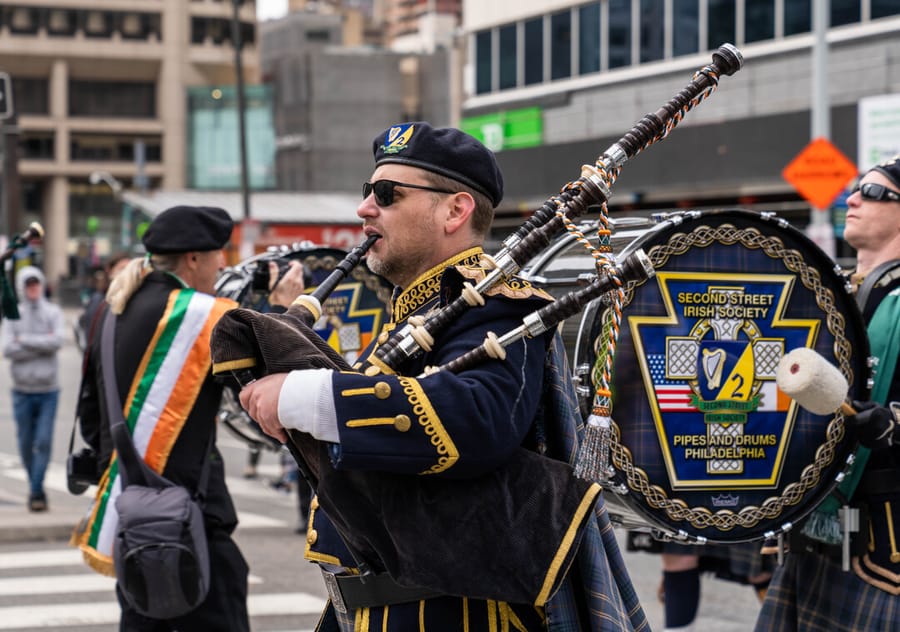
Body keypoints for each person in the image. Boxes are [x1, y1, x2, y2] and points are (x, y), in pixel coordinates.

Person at [238, 122, 646, 631]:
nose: (366, 208)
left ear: (455, 210)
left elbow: (476, 420)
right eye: (368, 192)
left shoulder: (496, 306)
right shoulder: (417, 309)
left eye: (387, 195)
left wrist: (309, 396)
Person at [70, 205, 304, 631]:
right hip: (191, 523)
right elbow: (273, 389)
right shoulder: (204, 316)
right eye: (219, 257)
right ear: (194, 259)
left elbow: (89, 415)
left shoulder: (107, 310)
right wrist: (286, 311)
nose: (222, 267)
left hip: (132, 518)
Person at [754, 155, 900, 630]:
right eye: (855, 188)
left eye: (875, 192)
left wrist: (892, 423)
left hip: (882, 550)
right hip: (812, 530)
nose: (853, 198)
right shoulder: (828, 294)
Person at [1, 266, 65, 512]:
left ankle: (36, 491)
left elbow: (57, 341)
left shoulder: (53, 312)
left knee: (44, 441)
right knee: (26, 443)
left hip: (49, 390)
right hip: (21, 391)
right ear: (21, 288)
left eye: (36, 284)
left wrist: (24, 341)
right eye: (28, 285)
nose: (33, 289)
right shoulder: (12, 315)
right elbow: (7, 349)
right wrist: (41, 343)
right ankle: (34, 485)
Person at [75, 252, 129, 351]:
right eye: (122, 268)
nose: (126, 273)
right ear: (110, 271)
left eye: (129, 269)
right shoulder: (99, 300)